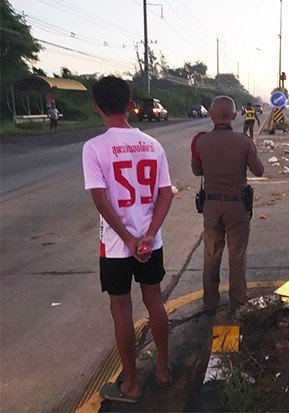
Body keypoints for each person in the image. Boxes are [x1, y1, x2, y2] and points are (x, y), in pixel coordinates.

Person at [82, 76, 174, 403]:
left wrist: (129, 240)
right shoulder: (154, 145)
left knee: (121, 311)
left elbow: (101, 200)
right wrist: (148, 235)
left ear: (96, 106)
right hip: (152, 245)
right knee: (155, 302)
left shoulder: (94, 148)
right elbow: (166, 195)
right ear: (131, 104)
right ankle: (163, 370)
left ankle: (132, 385)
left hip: (117, 246)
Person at [191, 96, 265, 316]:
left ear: (211, 115)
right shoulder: (244, 142)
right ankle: (238, 303)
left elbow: (197, 171)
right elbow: (259, 170)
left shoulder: (201, 142)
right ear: (235, 116)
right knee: (237, 255)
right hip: (237, 207)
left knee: (211, 255)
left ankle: (210, 303)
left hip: (211, 207)